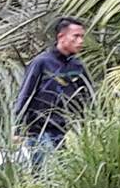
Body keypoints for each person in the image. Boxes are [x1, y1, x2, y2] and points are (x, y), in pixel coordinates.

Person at [15, 17, 92, 162]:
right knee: (45, 174)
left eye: (82, 36)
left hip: (65, 132)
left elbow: (88, 97)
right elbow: (25, 95)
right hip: (40, 132)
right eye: (76, 36)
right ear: (61, 37)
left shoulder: (77, 67)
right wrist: (17, 129)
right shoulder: (42, 62)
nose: (81, 41)